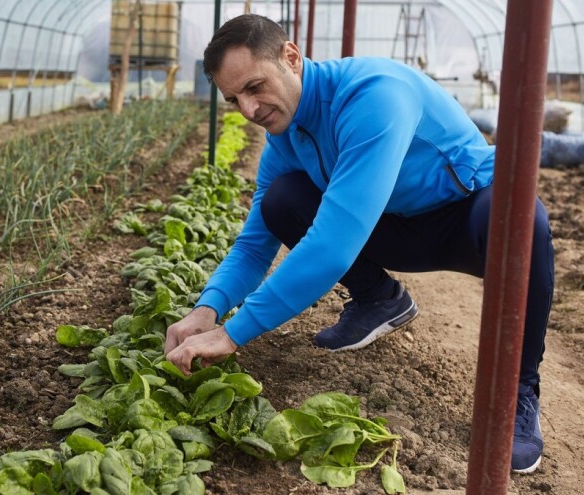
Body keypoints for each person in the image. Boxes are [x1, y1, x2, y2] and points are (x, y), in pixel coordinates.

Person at [164, 14, 553, 474]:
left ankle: (519, 392)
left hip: (463, 218)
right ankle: (378, 300)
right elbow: (253, 245)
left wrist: (232, 334)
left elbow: (332, 245)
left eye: (255, 87)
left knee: (524, 219)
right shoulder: (285, 138)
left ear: (291, 57)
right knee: (283, 200)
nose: (249, 110)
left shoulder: (374, 94)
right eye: (234, 99)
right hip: (389, 225)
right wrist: (206, 310)